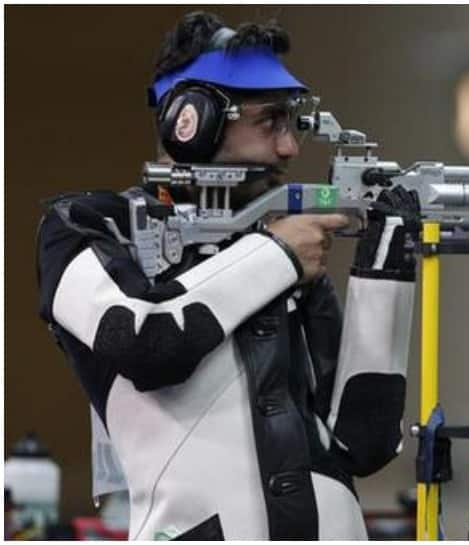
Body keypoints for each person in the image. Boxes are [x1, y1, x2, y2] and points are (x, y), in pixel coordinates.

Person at [36, 11, 420, 540]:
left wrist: (386, 269)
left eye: (293, 123)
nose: (289, 147)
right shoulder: (86, 226)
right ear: (190, 121)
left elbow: (364, 442)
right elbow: (146, 341)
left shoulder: (271, 248)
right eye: (270, 122)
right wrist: (277, 255)